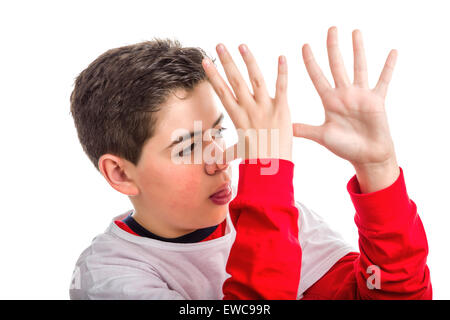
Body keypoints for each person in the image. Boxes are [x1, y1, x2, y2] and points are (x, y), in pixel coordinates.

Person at [69, 26, 431, 299]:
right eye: (188, 146)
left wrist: (378, 170)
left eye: (218, 131)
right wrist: (268, 175)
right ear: (119, 173)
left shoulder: (278, 217)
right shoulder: (107, 276)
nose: (220, 159)